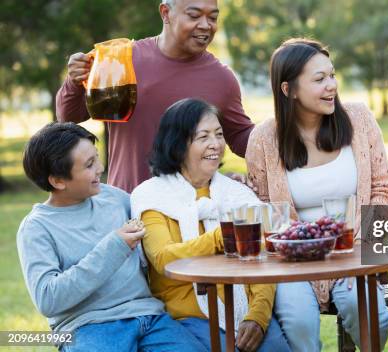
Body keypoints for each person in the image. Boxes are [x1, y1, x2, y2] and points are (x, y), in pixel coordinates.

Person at [246, 38, 388, 351]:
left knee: (371, 315)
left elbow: (383, 188)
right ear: (289, 90)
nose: (332, 86)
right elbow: (261, 209)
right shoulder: (264, 138)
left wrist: (363, 244)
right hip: (291, 262)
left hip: (352, 249)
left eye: (332, 75)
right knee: (300, 323)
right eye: (319, 79)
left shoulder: (359, 119)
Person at [17, 122, 204, 351]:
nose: (100, 168)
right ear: (57, 180)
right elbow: (48, 299)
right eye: (89, 165)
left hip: (150, 317)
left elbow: (168, 205)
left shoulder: (113, 198)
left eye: (96, 158)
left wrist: (224, 185)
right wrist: (115, 246)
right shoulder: (37, 228)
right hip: (88, 327)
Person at [130, 98, 290, 352]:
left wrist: (258, 315)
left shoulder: (236, 194)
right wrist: (223, 236)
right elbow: (163, 258)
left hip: (249, 308)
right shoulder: (152, 196)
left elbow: (262, 257)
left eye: (219, 134)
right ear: (177, 143)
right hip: (189, 315)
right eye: (203, 136)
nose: (216, 144)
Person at [56, 0, 254, 193]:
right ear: (165, 13)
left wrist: (278, 135)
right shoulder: (121, 60)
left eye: (213, 17)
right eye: (194, 15)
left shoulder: (221, 78)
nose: (205, 25)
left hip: (194, 213)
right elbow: (69, 117)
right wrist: (75, 81)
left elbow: (240, 136)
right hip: (128, 207)